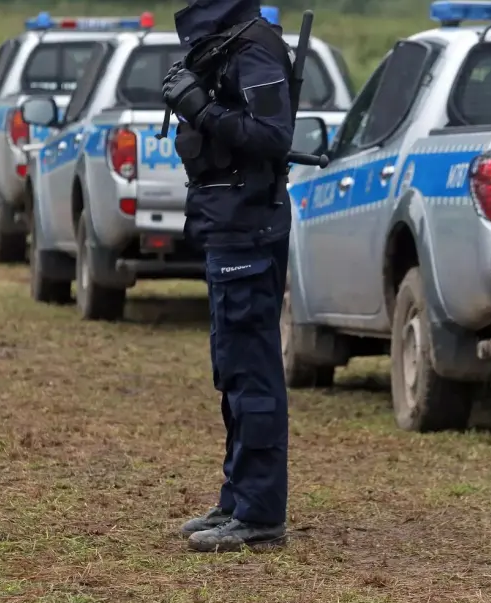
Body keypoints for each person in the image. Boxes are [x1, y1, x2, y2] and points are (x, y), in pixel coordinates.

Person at [164, 0, 295, 552]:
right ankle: (238, 499)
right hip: (227, 226)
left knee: (253, 374)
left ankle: (260, 513)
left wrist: (201, 109)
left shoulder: (254, 46)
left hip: (249, 230)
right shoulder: (225, 43)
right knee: (234, 371)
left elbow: (273, 135)